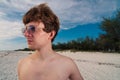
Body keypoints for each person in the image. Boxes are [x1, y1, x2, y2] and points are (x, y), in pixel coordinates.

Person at [17, 3, 84, 80]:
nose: (26, 34)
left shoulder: (67, 64)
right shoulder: (22, 64)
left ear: (51, 34)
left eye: (32, 29)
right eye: (25, 30)